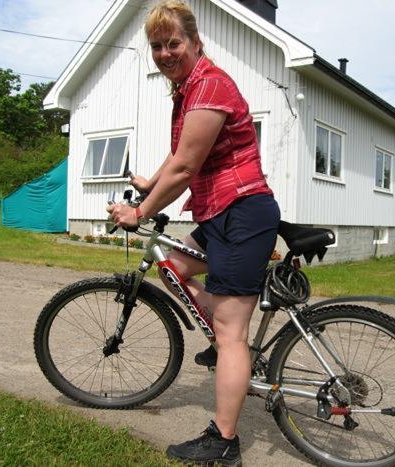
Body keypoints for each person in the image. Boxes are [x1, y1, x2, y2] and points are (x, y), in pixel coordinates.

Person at [107, 1, 280, 465]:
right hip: (223, 215)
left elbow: (185, 167)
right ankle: (224, 332)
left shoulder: (209, 84)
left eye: (173, 43)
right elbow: (178, 155)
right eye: (157, 46)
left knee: (231, 335)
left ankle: (223, 442)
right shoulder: (189, 89)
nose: (165, 52)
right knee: (174, 266)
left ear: (195, 42)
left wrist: (140, 211)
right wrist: (150, 182)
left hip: (243, 213)